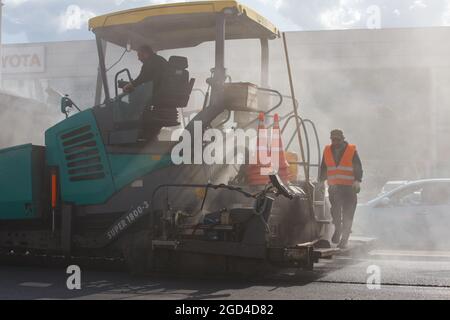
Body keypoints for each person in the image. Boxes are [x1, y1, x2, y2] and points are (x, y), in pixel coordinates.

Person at [319, 129, 363, 249]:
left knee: (348, 214)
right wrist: (320, 181)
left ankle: (344, 240)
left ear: (342, 139)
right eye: (333, 139)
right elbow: (323, 167)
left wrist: (357, 180)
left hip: (349, 188)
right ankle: (338, 229)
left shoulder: (351, 150)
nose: (335, 142)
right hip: (334, 188)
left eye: (337, 139)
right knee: (336, 212)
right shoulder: (327, 150)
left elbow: (358, 166)